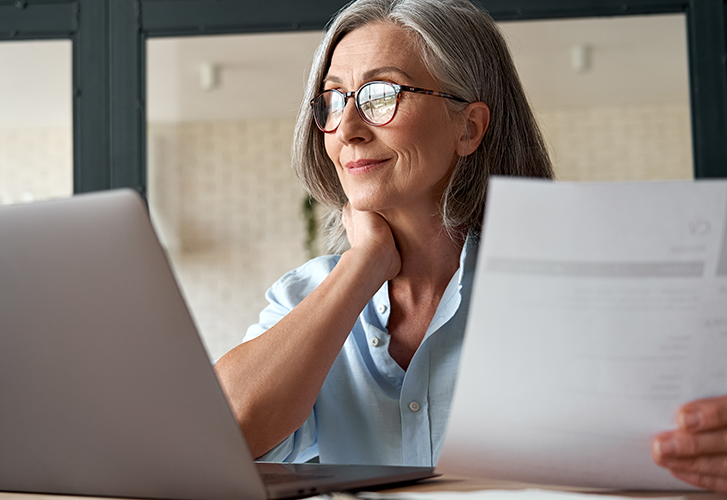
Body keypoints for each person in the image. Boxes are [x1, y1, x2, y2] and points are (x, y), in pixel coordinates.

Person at [214, 0, 727, 492]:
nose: (346, 129)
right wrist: (363, 265)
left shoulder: (574, 287)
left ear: (469, 126)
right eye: (333, 99)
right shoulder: (305, 296)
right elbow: (220, 436)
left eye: (380, 95)